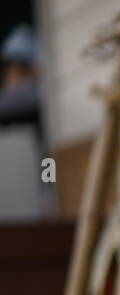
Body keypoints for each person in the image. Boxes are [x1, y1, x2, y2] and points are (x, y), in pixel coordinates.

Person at [0, 23, 53, 221]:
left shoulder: (36, 91)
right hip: (46, 160)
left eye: (11, 69)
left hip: (50, 161)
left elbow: (14, 100)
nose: (7, 76)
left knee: (50, 191)